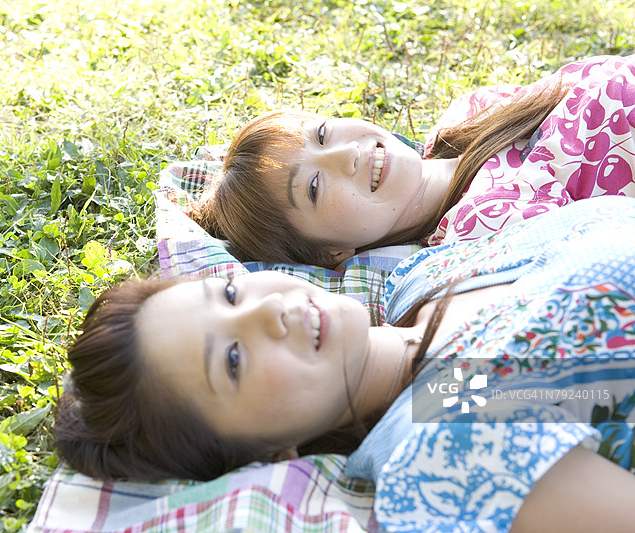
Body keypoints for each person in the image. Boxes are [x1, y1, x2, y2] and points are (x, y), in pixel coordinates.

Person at [54, 196, 635, 532]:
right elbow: (590, 393)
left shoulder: (418, 280)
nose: (266, 315)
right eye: (232, 360)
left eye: (230, 296)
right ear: (268, 453)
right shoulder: (443, 424)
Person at [191, 54, 635, 268]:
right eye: (313, 187)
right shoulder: (477, 231)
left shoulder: (464, 116)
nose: (345, 154)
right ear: (333, 253)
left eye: (322, 134)